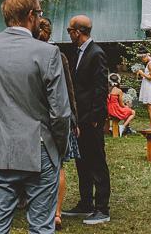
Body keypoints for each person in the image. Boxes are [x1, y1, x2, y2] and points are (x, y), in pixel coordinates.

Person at [0, 0, 71, 234]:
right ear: (31, 15)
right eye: (40, 13)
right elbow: (60, 112)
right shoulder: (48, 52)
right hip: (38, 148)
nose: (40, 18)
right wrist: (59, 148)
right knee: (41, 226)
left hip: (0, 147)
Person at [64, 14, 112, 225]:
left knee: (96, 162)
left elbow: (101, 88)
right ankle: (85, 203)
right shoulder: (79, 53)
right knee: (82, 161)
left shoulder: (96, 53)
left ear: (77, 32)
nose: (69, 35)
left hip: (90, 119)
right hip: (79, 119)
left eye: (69, 31)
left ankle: (102, 208)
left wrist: (94, 118)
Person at [38, 17, 79, 230]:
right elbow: (68, 88)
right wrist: (74, 118)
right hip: (60, 115)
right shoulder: (59, 56)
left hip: (37, 118)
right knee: (59, 165)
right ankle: (56, 212)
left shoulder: (31, 55)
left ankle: (40, 209)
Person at [136, 48, 151, 129]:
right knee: (150, 108)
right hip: (148, 86)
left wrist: (142, 73)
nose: (142, 60)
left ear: (145, 56)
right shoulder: (150, 63)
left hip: (150, 87)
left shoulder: (150, 64)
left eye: (142, 58)